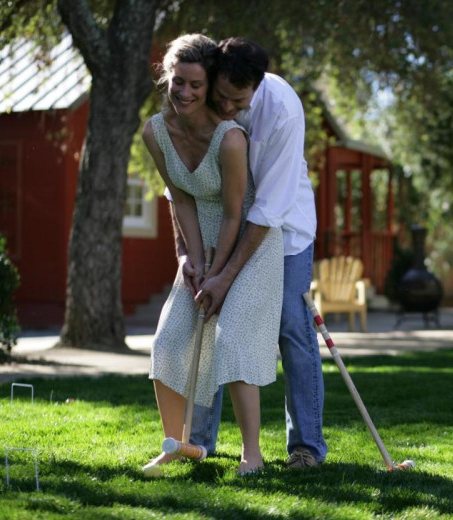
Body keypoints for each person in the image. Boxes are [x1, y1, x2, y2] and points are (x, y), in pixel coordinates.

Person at [173, 37, 327, 468]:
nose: (225, 108)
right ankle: (200, 441)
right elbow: (181, 184)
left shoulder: (282, 109)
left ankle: (306, 447)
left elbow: (268, 208)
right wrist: (189, 253)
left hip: (283, 229)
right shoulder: (201, 93)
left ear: (256, 88)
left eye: (236, 102)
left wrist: (227, 275)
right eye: (220, 97)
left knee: (291, 329)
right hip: (220, 224)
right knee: (209, 319)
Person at [141, 34, 284, 476]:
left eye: (195, 86)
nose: (183, 92)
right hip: (200, 243)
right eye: (177, 82)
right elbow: (179, 199)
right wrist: (190, 260)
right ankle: (178, 445)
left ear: (209, 88)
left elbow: (234, 211)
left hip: (247, 245)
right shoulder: (155, 132)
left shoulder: (230, 139)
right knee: (167, 339)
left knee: (234, 338)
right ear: (167, 77)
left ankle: (251, 455)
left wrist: (219, 274)